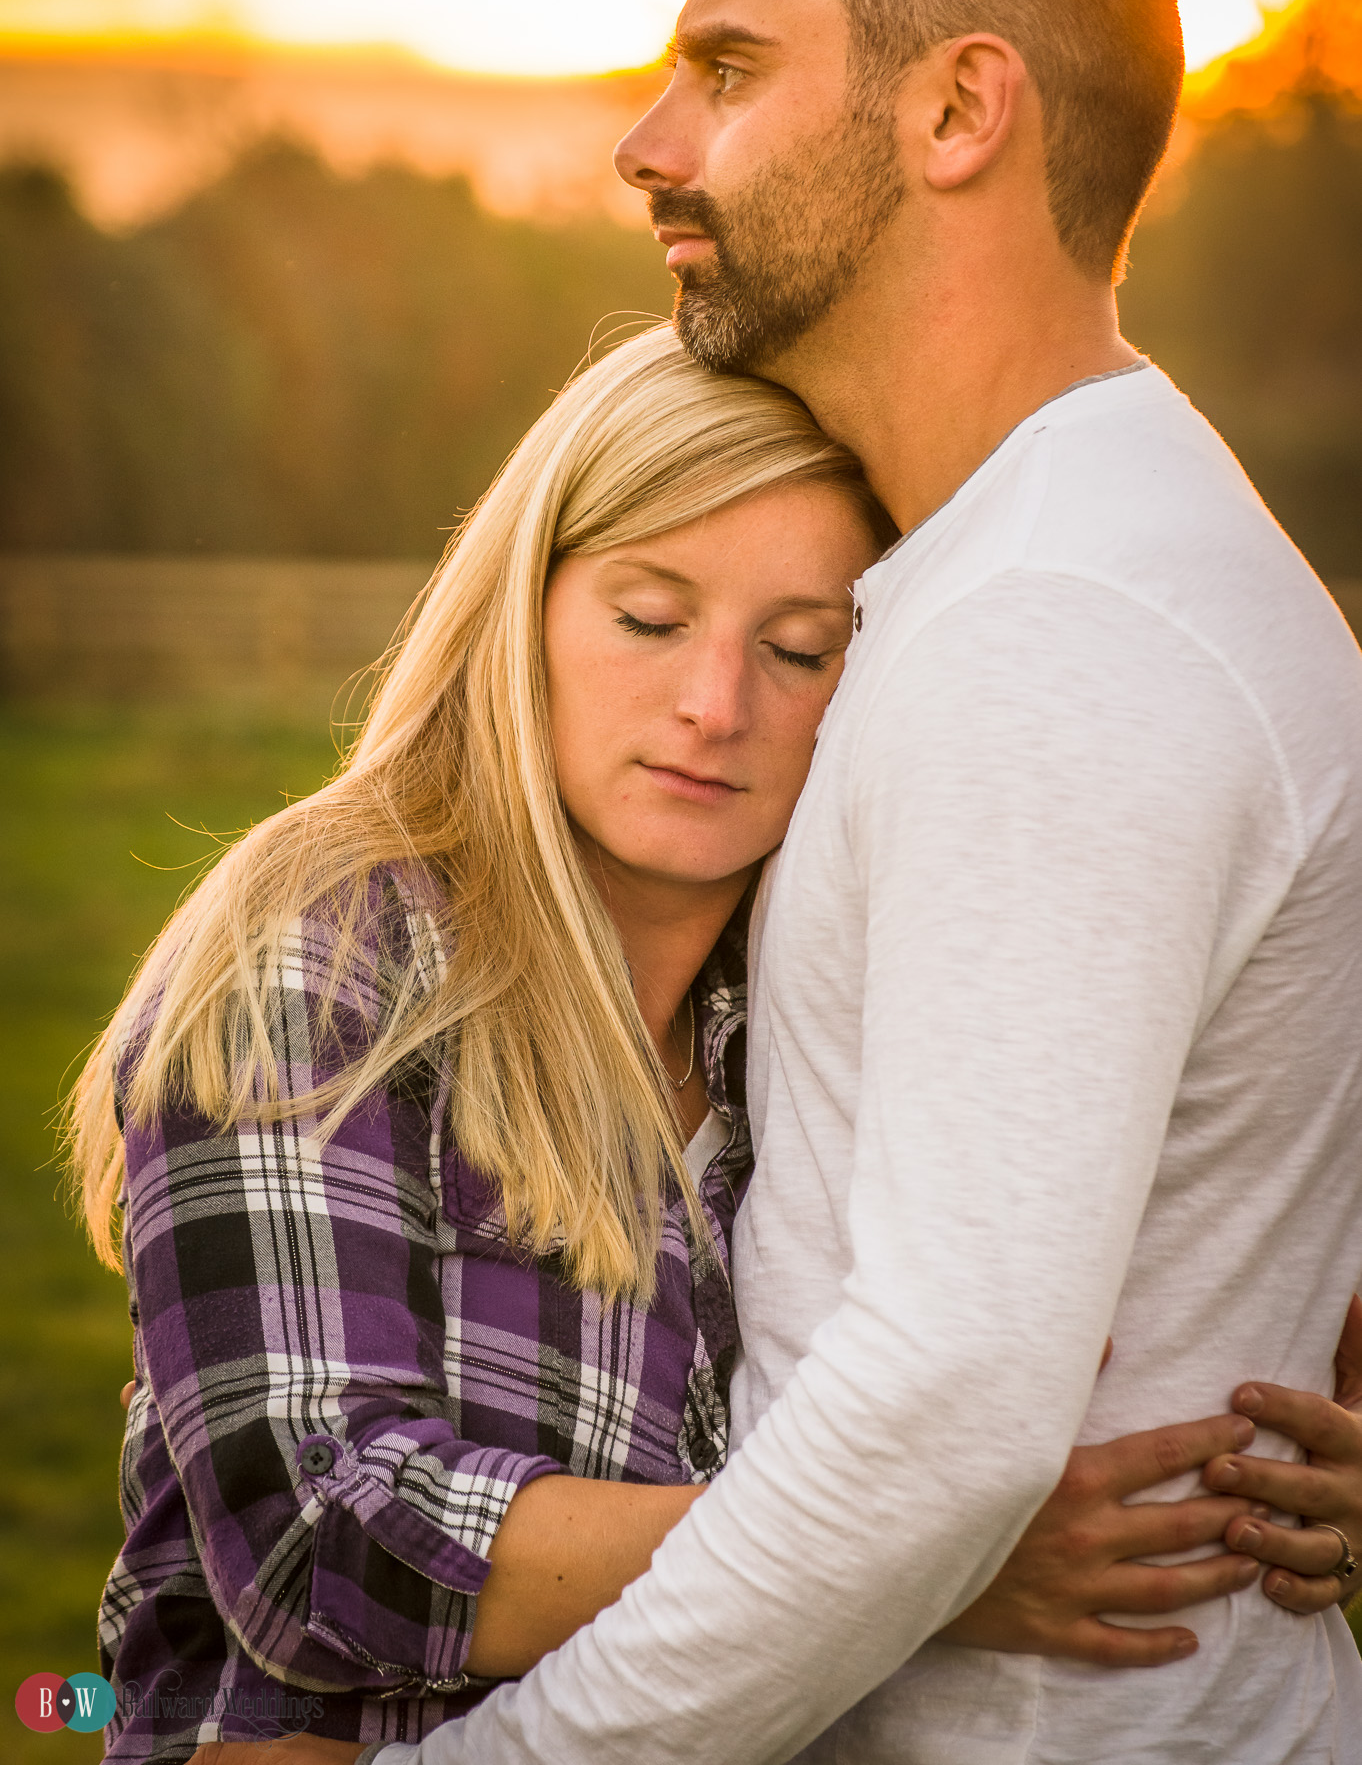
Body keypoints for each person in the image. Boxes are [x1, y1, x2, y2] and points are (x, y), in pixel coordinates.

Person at [356, 0, 1362, 1765]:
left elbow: (948, 1406)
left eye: (729, 68)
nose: (647, 140)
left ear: (958, 112)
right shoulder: (1055, 565)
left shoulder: (1057, 624)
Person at [75, 329, 1294, 1765]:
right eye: (649, 620)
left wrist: (1271, 1461)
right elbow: (312, 1533)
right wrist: (905, 1565)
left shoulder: (818, 1026)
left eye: (799, 649)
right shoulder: (321, 957)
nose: (716, 707)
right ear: (520, 611)